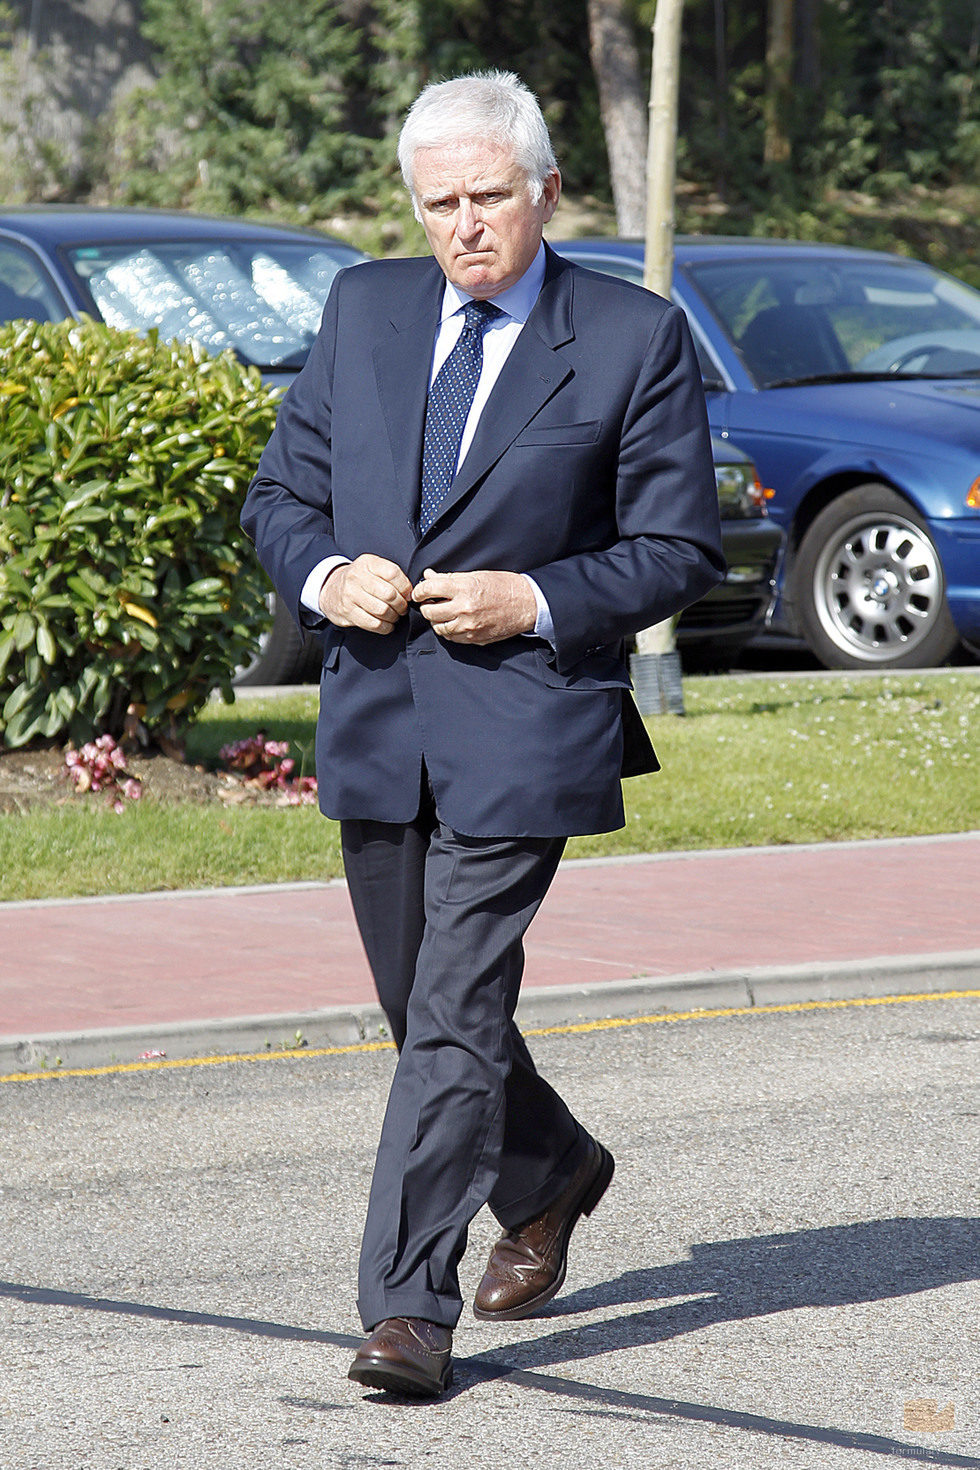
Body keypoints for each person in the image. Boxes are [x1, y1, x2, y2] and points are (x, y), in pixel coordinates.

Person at [241, 69, 724, 1399]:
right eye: (440, 202)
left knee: (454, 1011)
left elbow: (684, 544)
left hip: (527, 720)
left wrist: (540, 596)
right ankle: (552, 1164)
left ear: (546, 191)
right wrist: (323, 571)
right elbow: (281, 492)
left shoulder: (632, 337)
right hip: (380, 713)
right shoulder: (365, 308)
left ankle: (406, 1309)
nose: (464, 226)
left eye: (489, 198)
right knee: (417, 1004)